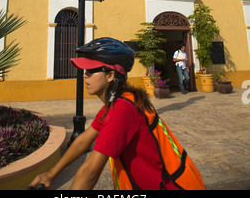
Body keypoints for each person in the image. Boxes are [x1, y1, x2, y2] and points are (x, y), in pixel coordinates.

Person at [29, 37, 204, 190]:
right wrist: (51, 174)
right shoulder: (117, 103)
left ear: (110, 75)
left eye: (91, 70)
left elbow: (89, 172)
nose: (85, 76)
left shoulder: (123, 109)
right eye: (85, 71)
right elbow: (83, 140)